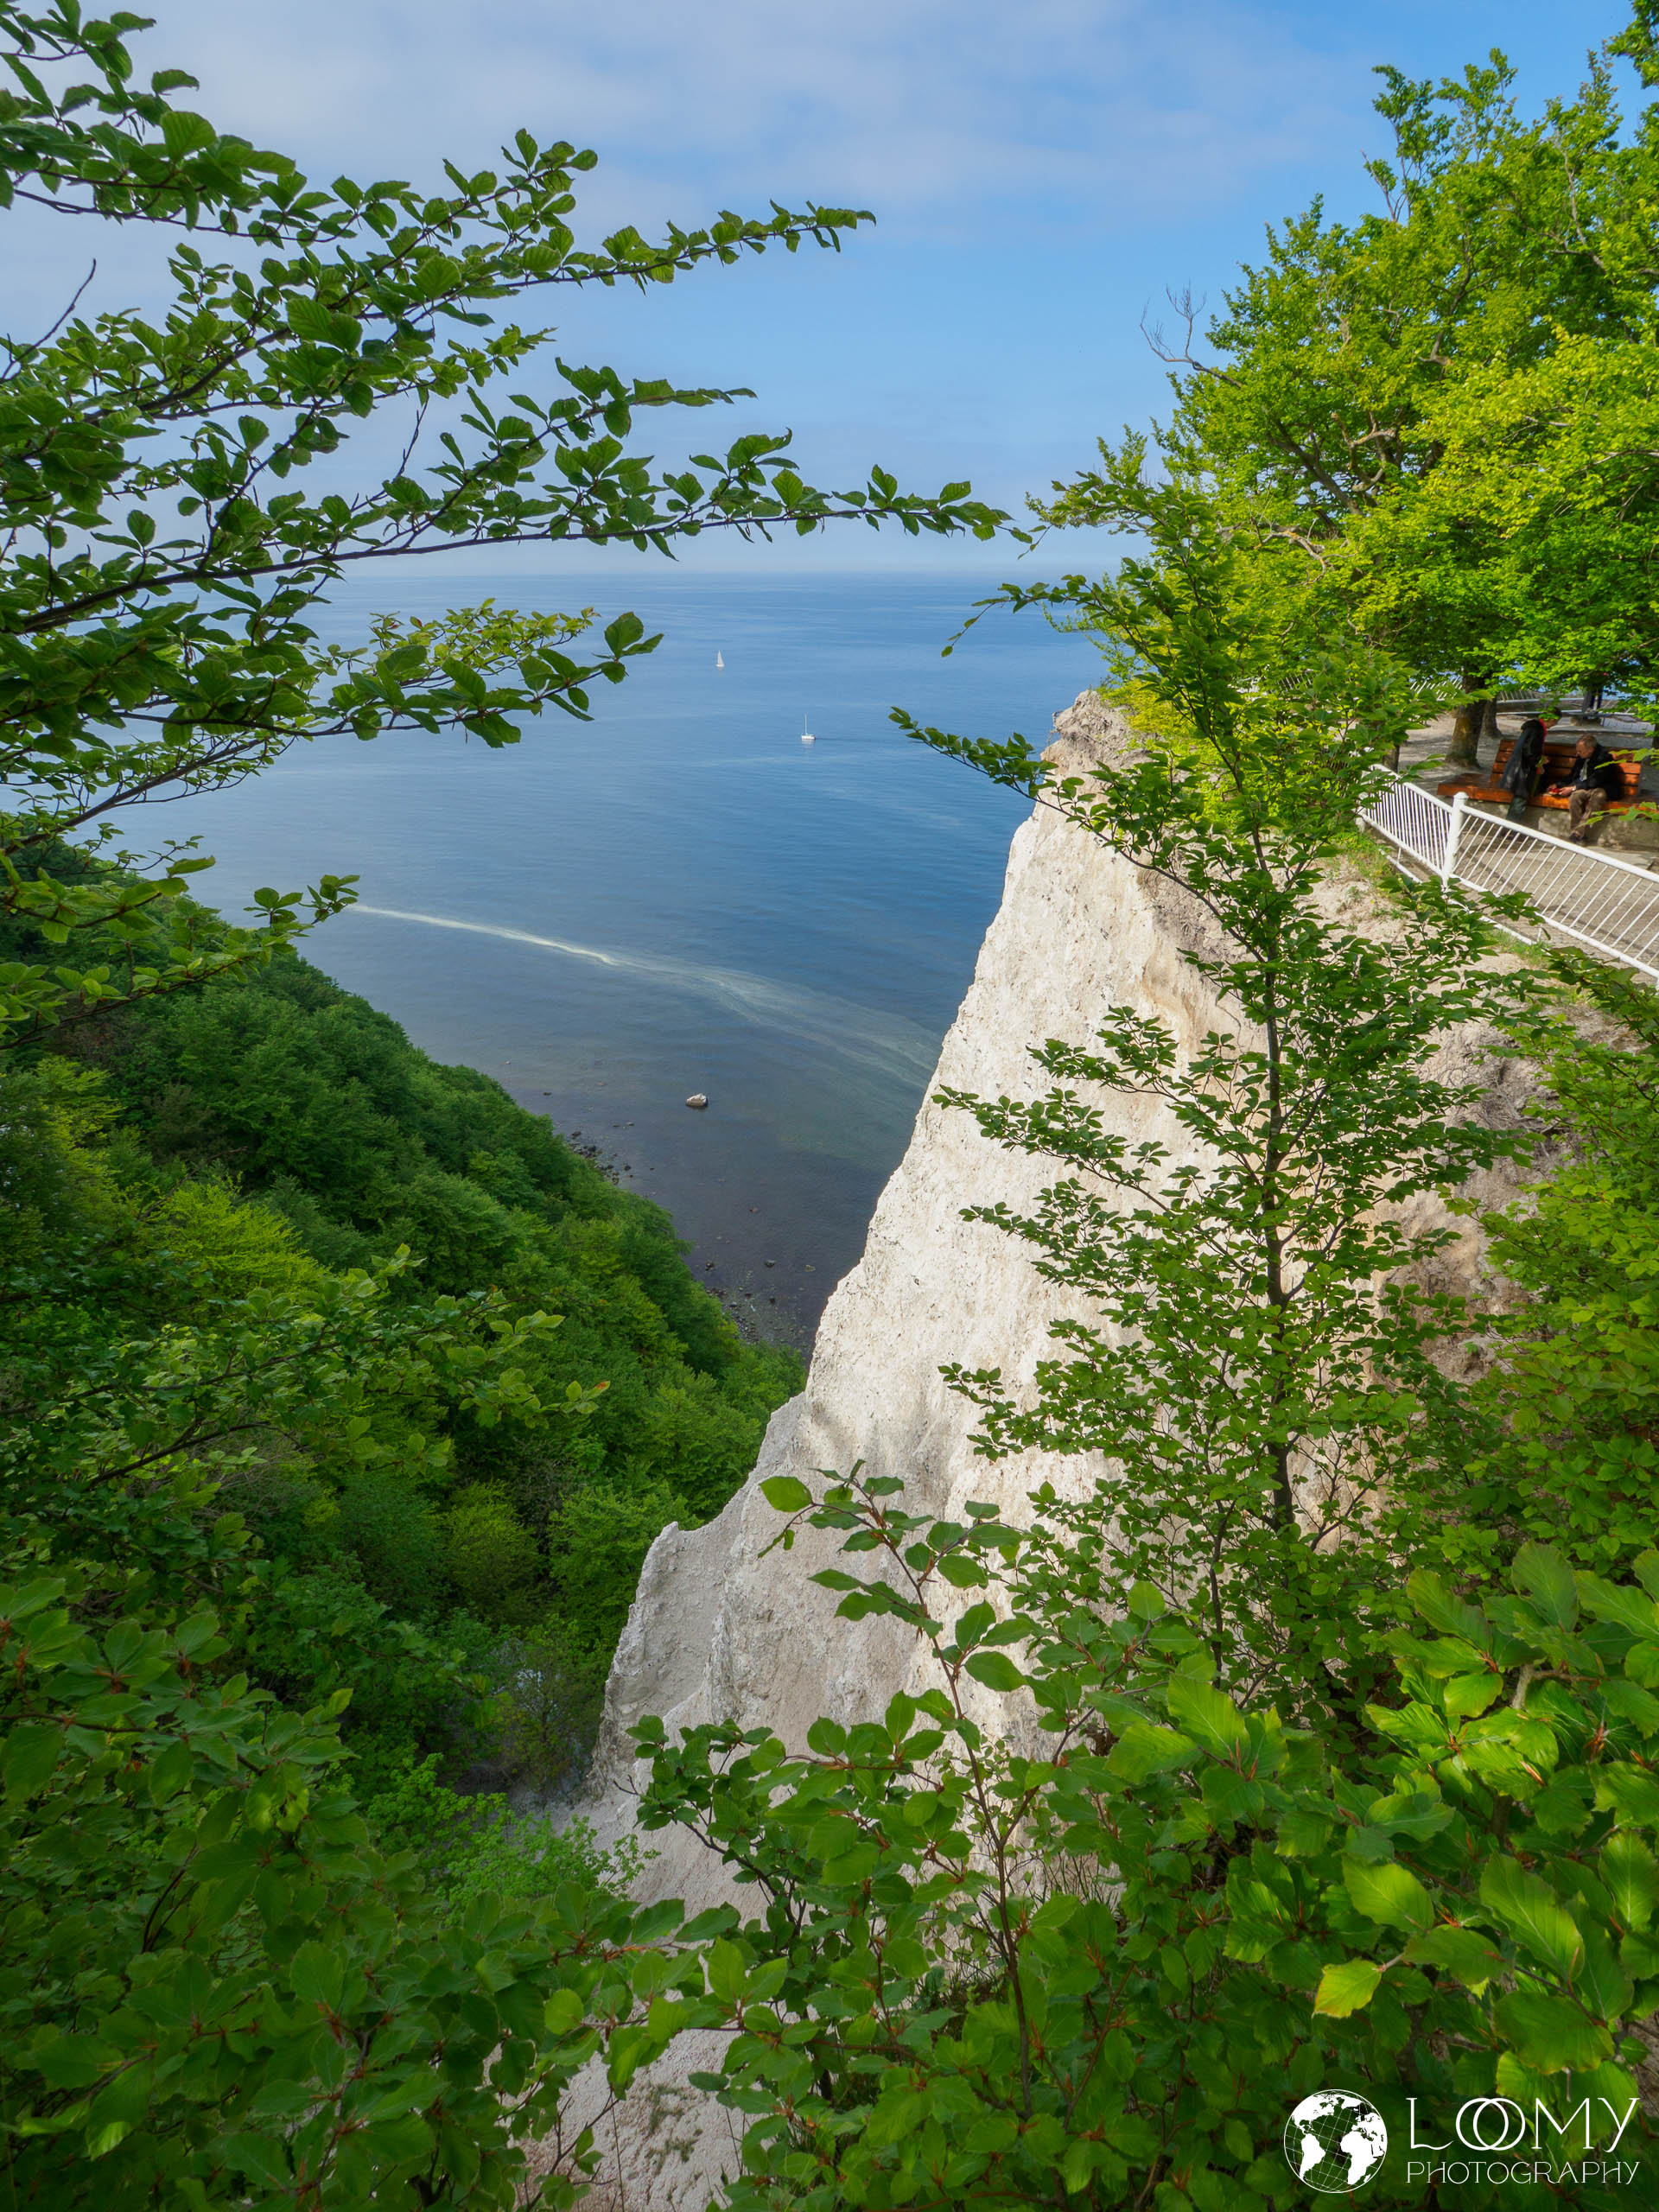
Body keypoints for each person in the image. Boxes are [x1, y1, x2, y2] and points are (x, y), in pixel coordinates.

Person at [1563, 734, 1624, 842]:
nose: (1578, 753)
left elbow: (1597, 780)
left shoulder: (1604, 758)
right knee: (1574, 797)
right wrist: (1558, 785)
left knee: (1597, 798)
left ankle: (1577, 833)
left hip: (1603, 787)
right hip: (1586, 786)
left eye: (1580, 751)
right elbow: (1573, 775)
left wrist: (1574, 787)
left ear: (1590, 750)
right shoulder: (1582, 758)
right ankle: (1577, 832)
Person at [1501, 716, 1548, 819]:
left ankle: (1509, 830)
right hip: (1525, 770)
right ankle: (1510, 831)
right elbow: (1530, 751)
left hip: (1521, 767)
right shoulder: (1537, 729)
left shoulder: (1532, 728)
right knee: (1519, 800)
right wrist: (1540, 761)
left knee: (1519, 800)